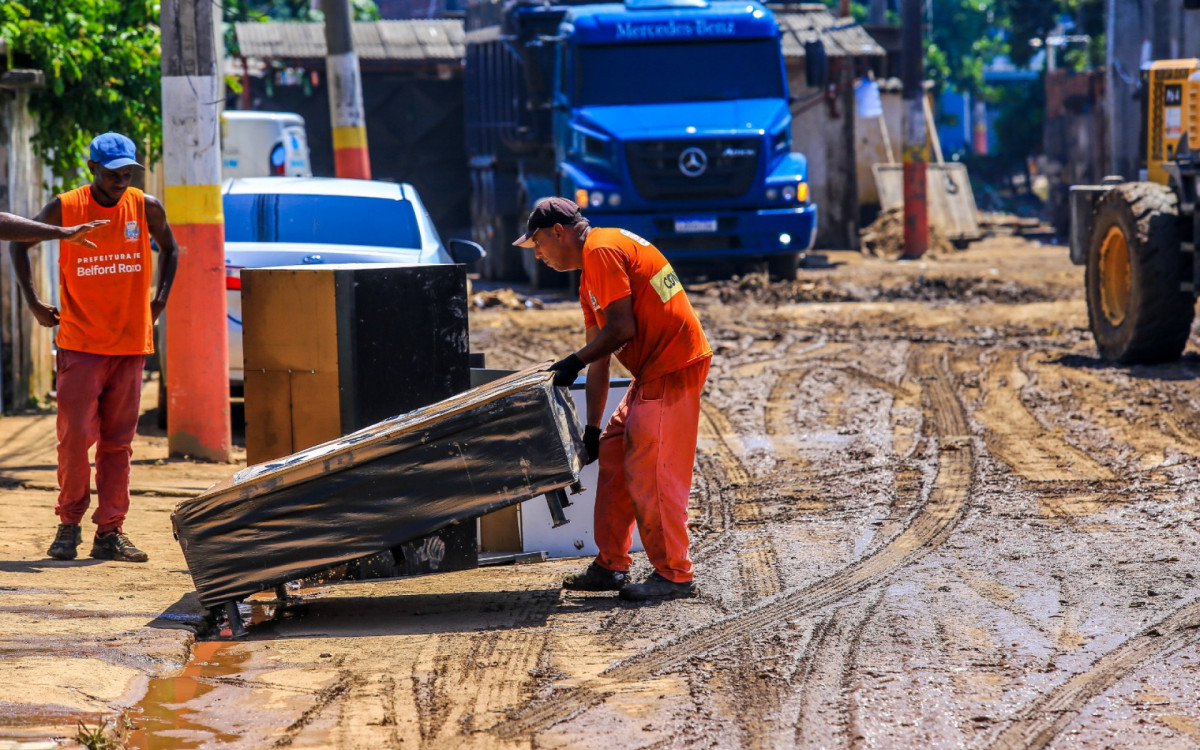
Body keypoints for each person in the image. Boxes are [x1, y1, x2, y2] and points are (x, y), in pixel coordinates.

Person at [514, 197, 712, 601]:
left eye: (538, 243)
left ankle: (675, 574)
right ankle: (611, 565)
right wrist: (591, 429)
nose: (537, 254)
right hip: (654, 369)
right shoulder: (591, 273)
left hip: (672, 366)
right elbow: (600, 356)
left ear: (558, 232)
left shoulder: (602, 250)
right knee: (614, 449)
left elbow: (621, 329)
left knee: (651, 472)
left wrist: (572, 362)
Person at [10, 132, 179, 563]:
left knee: (118, 444)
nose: (121, 181)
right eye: (112, 174)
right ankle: (68, 525)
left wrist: (159, 301)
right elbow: (18, 244)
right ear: (93, 169)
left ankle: (110, 531)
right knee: (74, 440)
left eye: (127, 174)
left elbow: (171, 250)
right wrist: (33, 303)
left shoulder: (145, 206)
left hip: (130, 345)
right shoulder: (66, 207)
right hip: (81, 344)